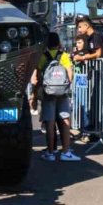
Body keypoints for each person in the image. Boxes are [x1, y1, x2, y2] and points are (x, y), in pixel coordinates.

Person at [31, 32, 80, 162]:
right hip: (62, 93)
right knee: (65, 120)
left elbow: (37, 78)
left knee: (50, 122)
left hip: (48, 93)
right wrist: (65, 87)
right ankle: (65, 152)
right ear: (59, 43)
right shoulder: (64, 56)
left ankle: (50, 152)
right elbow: (70, 74)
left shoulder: (42, 57)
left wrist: (35, 95)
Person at [74, 16, 103, 139]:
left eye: (80, 27)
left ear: (87, 25)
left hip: (101, 72)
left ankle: (98, 132)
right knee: (93, 101)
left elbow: (98, 54)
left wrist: (83, 58)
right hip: (96, 72)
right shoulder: (90, 38)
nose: (79, 30)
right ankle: (94, 131)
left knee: (97, 102)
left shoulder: (95, 37)